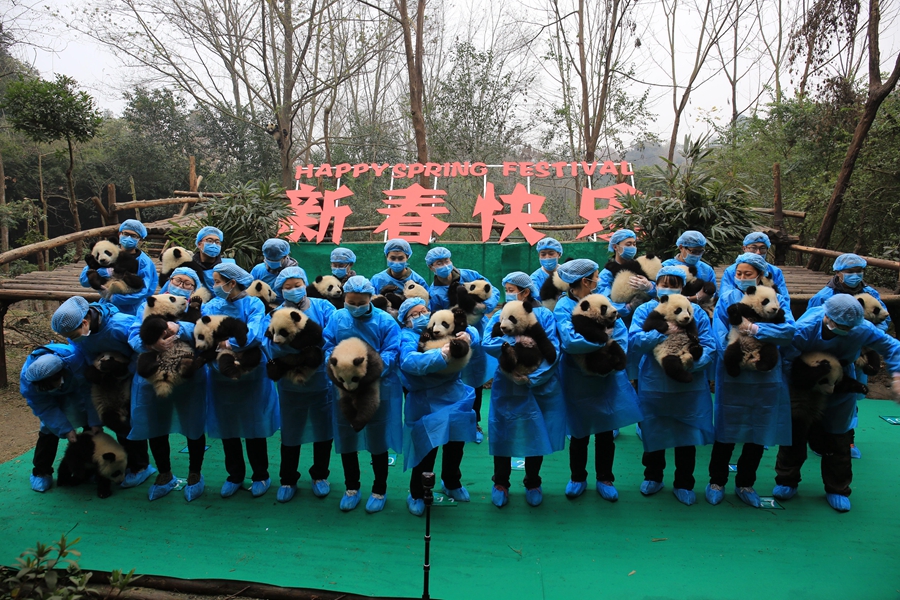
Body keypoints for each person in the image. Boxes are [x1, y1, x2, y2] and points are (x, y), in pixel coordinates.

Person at [774, 294, 900, 512]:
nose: (847, 330)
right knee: (796, 434)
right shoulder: (805, 329)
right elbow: (786, 360)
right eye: (842, 326)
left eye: (850, 327)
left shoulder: (861, 328)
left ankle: (837, 488)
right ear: (828, 318)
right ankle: (786, 479)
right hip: (804, 382)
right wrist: (790, 391)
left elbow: (892, 346)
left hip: (841, 379)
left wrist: (897, 374)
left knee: (838, 437)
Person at [706, 252, 796, 507]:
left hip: (765, 377)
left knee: (758, 431)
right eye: (739, 274)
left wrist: (758, 330)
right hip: (734, 375)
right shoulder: (727, 299)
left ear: (761, 275)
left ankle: (746, 483)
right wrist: (741, 358)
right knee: (727, 430)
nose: (743, 278)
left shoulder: (773, 297)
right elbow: (719, 336)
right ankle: (716, 480)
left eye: (749, 274)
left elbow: (788, 331)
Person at [553, 260, 642, 502]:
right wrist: (605, 341)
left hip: (606, 378)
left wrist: (612, 356)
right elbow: (570, 342)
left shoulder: (602, 300)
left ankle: (605, 477)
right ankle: (577, 477)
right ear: (585, 281)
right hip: (577, 378)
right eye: (595, 276)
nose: (598, 279)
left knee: (605, 430)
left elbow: (620, 333)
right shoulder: (563, 307)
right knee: (579, 432)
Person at [628, 266, 715, 506]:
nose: (668, 287)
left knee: (687, 435)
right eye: (664, 283)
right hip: (655, 383)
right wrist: (662, 332)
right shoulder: (646, 309)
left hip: (689, 386)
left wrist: (690, 364)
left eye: (675, 284)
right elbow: (635, 342)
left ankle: (684, 482)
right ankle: (653, 476)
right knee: (654, 431)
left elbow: (709, 345)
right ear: (656, 285)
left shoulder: (694, 311)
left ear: (683, 287)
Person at [51, 296, 155, 487]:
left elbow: (142, 350)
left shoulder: (119, 326)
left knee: (129, 421)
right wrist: (94, 373)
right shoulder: (80, 332)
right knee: (107, 420)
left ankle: (140, 466)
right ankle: (100, 464)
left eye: (72, 334)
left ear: (84, 322)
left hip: (131, 376)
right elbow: (82, 352)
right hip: (103, 379)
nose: (71, 338)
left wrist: (125, 372)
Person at [483, 271, 565, 508]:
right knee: (503, 432)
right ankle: (500, 482)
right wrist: (513, 343)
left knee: (535, 431)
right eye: (506, 289)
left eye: (510, 289)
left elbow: (553, 350)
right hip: (506, 386)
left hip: (536, 388)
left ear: (525, 291)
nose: (508, 294)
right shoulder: (502, 313)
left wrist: (533, 378)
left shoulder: (544, 316)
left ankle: (533, 481)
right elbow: (487, 341)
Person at [127, 267, 209, 502]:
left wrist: (181, 328)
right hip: (154, 379)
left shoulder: (199, 306)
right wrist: (151, 344)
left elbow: (207, 330)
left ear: (195, 288)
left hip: (189, 380)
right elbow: (133, 333)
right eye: (177, 281)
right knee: (156, 425)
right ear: (168, 281)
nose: (181, 286)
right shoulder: (152, 304)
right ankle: (165, 474)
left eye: (187, 283)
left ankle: (195, 474)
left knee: (193, 425)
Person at [322, 276, 402, 513]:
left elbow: (392, 352)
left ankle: (379, 489)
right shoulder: (337, 318)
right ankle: (352, 487)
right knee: (347, 438)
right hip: (344, 388)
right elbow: (327, 345)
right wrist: (337, 368)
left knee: (378, 440)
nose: (355, 307)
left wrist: (368, 373)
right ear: (344, 298)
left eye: (360, 302)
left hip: (377, 388)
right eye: (351, 301)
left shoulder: (385, 321)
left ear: (370, 299)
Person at [204, 263, 280, 498]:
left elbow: (254, 334)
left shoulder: (254, 304)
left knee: (253, 426)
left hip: (251, 376)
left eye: (217, 281)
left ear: (231, 282)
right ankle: (235, 475)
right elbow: (204, 332)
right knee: (228, 427)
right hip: (220, 376)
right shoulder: (212, 304)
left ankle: (260, 475)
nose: (214, 286)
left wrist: (227, 343)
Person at [398, 297, 478, 516]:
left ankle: (451, 482)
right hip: (424, 401)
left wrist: (469, 336)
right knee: (425, 450)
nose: (422, 316)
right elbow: (409, 362)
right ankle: (417, 493)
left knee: (455, 445)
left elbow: (469, 329)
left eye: (424, 310)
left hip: (454, 396)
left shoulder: (443, 325)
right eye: (414, 314)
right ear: (405, 321)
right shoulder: (407, 336)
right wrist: (441, 354)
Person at [806, 253, 890, 459]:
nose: (855, 275)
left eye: (858, 271)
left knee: (850, 398)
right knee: (822, 394)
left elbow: (882, 319)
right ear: (838, 272)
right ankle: (817, 440)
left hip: (856, 354)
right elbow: (811, 322)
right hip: (827, 354)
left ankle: (848, 440)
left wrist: (863, 338)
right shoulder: (824, 296)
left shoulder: (871, 293)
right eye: (850, 272)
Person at [266, 266, 336, 503]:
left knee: (323, 430)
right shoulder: (275, 314)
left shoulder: (323, 307)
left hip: (320, 381)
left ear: (305, 284)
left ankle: (320, 475)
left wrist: (314, 356)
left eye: (297, 285)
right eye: (287, 287)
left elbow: (330, 340)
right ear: (280, 290)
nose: (294, 290)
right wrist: (298, 349)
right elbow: (271, 345)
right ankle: (287, 478)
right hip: (290, 385)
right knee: (291, 431)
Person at [425, 247, 499, 444]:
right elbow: (437, 318)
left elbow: (492, 290)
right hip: (453, 338)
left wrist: (485, 306)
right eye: (438, 263)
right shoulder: (435, 292)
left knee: (475, 383)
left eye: (446, 260)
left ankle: (474, 422)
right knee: (455, 381)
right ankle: (454, 421)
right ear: (431, 267)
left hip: (478, 333)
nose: (444, 266)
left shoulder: (469, 275)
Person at [21, 343, 99, 492]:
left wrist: (95, 421)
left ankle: (91, 469)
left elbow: (90, 392)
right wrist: (65, 429)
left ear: (61, 373)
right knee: (48, 428)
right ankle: (41, 471)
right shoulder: (29, 380)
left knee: (89, 421)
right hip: (48, 397)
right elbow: (44, 407)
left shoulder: (76, 360)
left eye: (53, 384)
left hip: (76, 386)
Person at [79, 219, 158, 316]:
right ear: (119, 234)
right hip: (107, 307)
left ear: (140, 240)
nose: (128, 238)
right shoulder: (108, 250)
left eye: (134, 236)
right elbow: (84, 281)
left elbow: (144, 291)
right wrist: (96, 270)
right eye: (125, 233)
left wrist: (113, 297)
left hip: (133, 310)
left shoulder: (144, 262)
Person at [597, 229, 656, 327]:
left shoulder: (641, 265)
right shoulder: (607, 274)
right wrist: (628, 307)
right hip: (620, 323)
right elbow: (604, 300)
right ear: (615, 247)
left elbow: (661, 289)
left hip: (644, 320)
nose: (632, 247)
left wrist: (650, 287)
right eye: (628, 244)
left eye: (634, 244)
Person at [719, 232, 788, 298]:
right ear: (744, 248)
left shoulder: (775, 272)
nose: (758, 252)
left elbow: (784, 299)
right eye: (753, 248)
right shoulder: (731, 271)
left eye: (762, 248)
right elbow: (724, 297)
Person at [661, 230, 716, 303]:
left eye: (700, 251)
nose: (697, 254)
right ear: (681, 247)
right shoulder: (667, 266)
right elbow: (660, 291)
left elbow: (714, 293)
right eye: (693, 251)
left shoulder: (706, 269)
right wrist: (693, 298)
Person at [249, 238, 298, 304]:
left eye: (276, 260)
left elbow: (298, 296)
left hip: (286, 308)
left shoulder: (294, 272)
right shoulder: (258, 269)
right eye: (269, 259)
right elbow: (249, 290)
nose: (272, 262)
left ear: (285, 256)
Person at [192, 226, 235, 292]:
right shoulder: (190, 267)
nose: (214, 245)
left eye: (217, 242)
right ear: (199, 244)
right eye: (209, 241)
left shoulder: (229, 265)